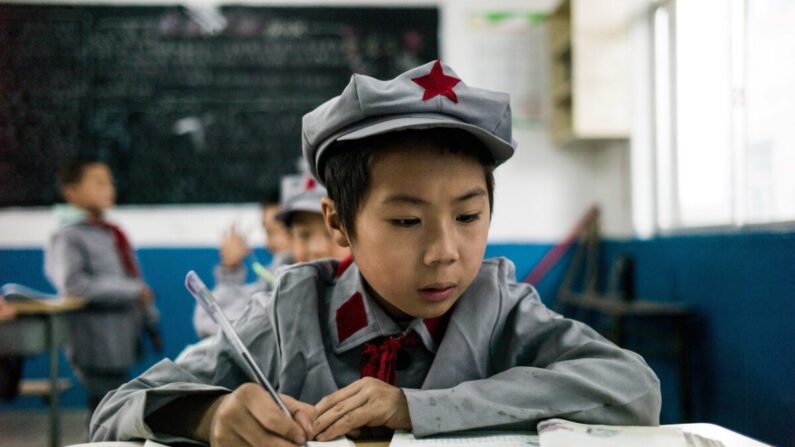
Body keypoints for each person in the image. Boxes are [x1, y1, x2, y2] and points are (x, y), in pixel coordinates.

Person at [90, 60, 660, 446]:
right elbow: (114, 410)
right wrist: (208, 415)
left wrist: (416, 408)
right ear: (338, 223)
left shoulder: (503, 311)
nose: (444, 252)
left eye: (468, 216)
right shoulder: (288, 316)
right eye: (407, 220)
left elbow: (634, 387)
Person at [44, 157, 161, 415]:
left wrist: (148, 315)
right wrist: (132, 290)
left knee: (110, 411)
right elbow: (74, 286)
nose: (109, 188)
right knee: (107, 414)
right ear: (71, 192)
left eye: (110, 182)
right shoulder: (69, 236)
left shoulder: (109, 232)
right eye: (99, 183)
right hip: (96, 344)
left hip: (119, 340)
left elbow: (128, 273)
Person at [192, 177, 347, 339]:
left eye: (330, 233)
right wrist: (230, 274)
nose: (317, 248)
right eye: (304, 235)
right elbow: (214, 323)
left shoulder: (368, 289)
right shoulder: (277, 286)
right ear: (290, 238)